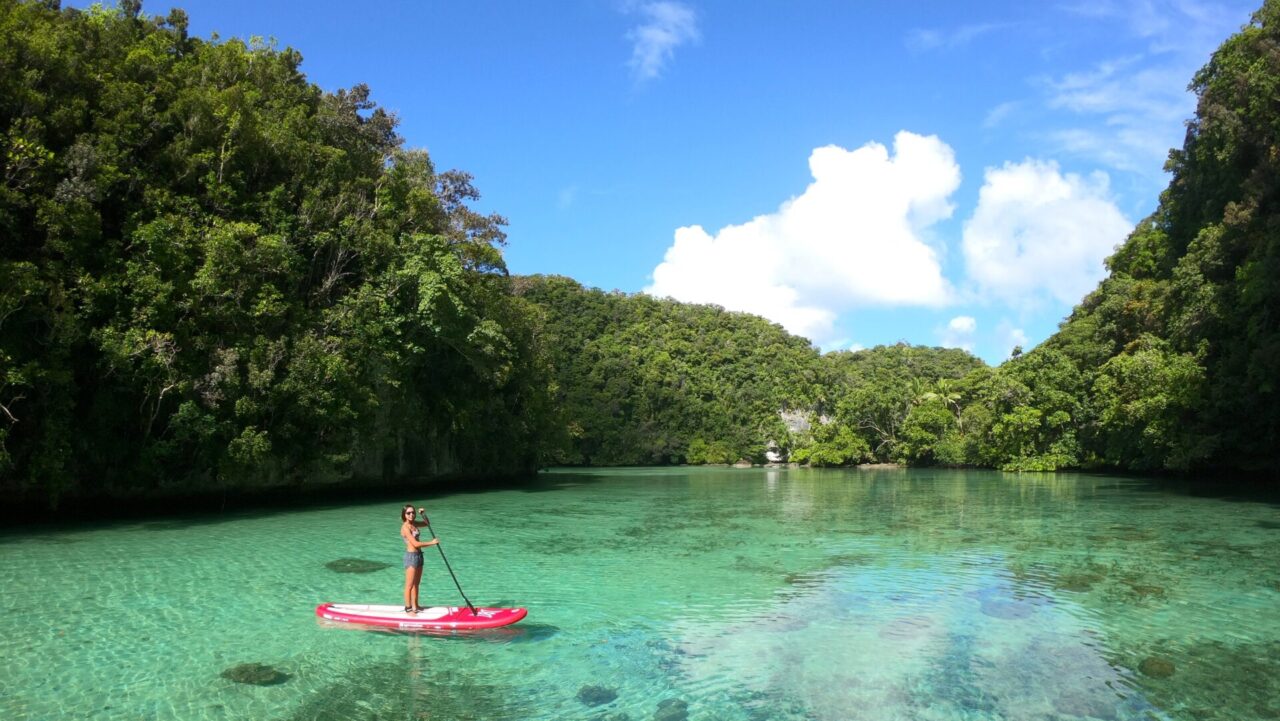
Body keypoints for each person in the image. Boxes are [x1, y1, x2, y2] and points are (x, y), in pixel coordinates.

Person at [401, 504, 438, 614]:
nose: (411, 514)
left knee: (416, 584)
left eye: (413, 512)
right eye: (408, 513)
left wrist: (423, 515)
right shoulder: (405, 527)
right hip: (411, 557)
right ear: (404, 515)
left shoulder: (414, 524)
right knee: (409, 585)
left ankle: (415, 605)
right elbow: (415, 544)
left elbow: (427, 523)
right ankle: (408, 609)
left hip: (419, 556)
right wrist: (431, 543)